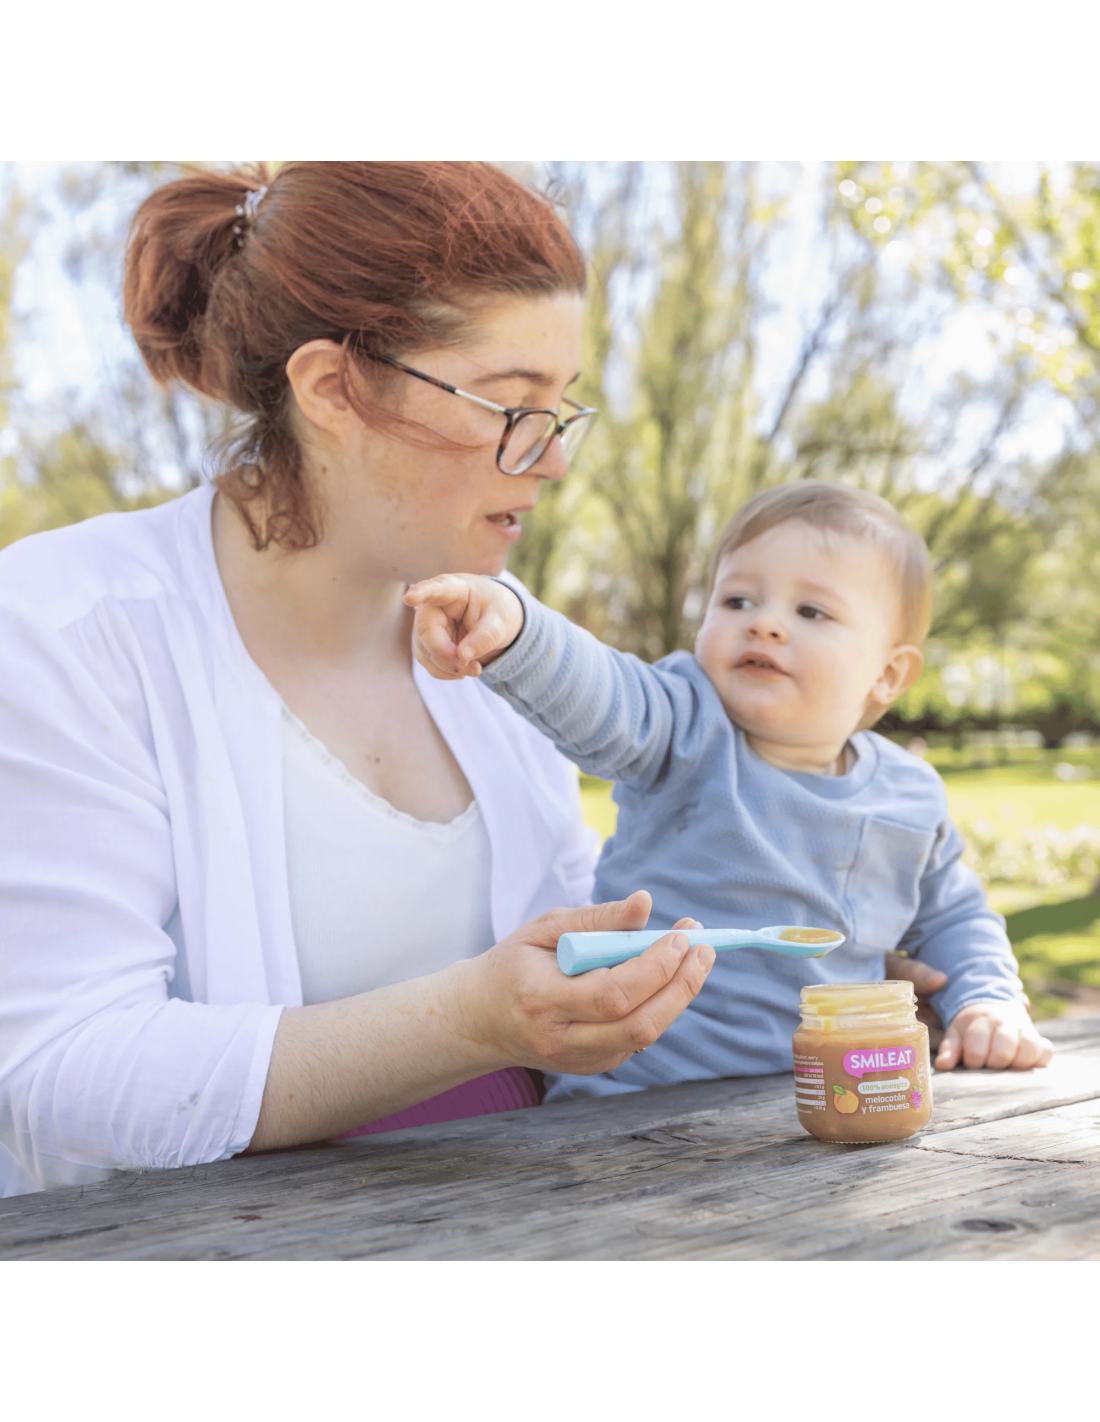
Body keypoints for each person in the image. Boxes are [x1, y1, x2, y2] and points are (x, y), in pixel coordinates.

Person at [0, 162, 716, 1198]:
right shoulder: (63, 628)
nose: (553, 460)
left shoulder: (499, 645)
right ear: (332, 390)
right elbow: (63, 1074)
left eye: (558, 409)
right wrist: (468, 1024)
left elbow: (577, 950)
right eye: (511, 405)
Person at [405, 480, 1054, 1102]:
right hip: (629, 1097)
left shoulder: (908, 798)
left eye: (811, 611)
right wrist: (519, 629)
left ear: (886, 674)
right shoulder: (685, 724)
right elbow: (606, 694)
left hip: (818, 1097)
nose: (764, 624)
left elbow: (955, 918)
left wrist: (986, 1000)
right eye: (737, 600)